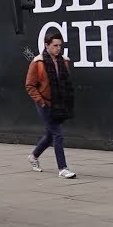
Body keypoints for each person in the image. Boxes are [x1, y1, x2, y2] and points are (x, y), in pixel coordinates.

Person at [25, 31, 76, 178]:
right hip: (44, 104)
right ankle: (63, 169)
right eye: (55, 45)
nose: (58, 48)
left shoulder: (64, 61)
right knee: (58, 134)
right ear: (46, 45)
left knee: (50, 134)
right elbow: (30, 85)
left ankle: (33, 157)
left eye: (60, 45)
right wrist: (40, 102)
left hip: (58, 104)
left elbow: (65, 83)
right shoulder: (37, 63)